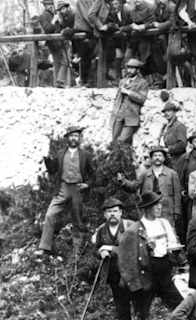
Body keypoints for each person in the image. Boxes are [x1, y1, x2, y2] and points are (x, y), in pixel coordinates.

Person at [119, 192, 184, 320]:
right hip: (147, 274)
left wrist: (177, 256)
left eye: (160, 204)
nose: (159, 207)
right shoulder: (134, 230)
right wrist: (135, 285)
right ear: (147, 208)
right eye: (155, 205)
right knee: (143, 313)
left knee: (181, 306)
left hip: (165, 271)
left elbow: (173, 244)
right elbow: (127, 262)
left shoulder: (164, 223)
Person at [38, 126, 94, 254]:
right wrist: (46, 159)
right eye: (71, 136)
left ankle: (78, 251)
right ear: (67, 138)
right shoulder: (60, 153)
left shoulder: (85, 155)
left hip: (78, 189)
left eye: (76, 136)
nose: (74, 138)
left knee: (77, 219)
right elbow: (52, 170)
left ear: (79, 138)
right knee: (50, 214)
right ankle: (44, 247)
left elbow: (93, 174)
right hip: (63, 188)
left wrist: (87, 184)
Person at [117, 145, 182, 227]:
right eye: (155, 156)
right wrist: (123, 181)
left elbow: (177, 194)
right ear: (151, 158)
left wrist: (177, 211)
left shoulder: (172, 174)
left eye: (160, 155)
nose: (157, 158)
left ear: (164, 158)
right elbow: (134, 186)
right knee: (149, 230)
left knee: (167, 230)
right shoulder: (145, 174)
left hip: (167, 210)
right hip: (148, 209)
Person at [91, 197, 135, 320]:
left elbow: (135, 249)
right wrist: (101, 253)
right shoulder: (101, 230)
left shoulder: (130, 226)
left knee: (139, 305)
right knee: (122, 307)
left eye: (115, 211)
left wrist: (111, 248)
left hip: (132, 272)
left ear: (120, 212)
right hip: (114, 275)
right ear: (105, 214)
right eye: (109, 212)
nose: (112, 214)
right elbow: (96, 249)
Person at [109, 58, 149, 145]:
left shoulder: (142, 83)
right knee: (114, 142)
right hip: (119, 116)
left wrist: (128, 92)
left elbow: (142, 99)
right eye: (128, 68)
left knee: (121, 141)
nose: (129, 70)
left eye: (132, 68)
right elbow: (117, 98)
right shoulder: (122, 81)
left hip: (131, 117)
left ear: (137, 70)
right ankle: (120, 158)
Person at [73, 0, 99, 86]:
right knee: (84, 56)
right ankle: (83, 80)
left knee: (91, 55)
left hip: (90, 29)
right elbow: (87, 15)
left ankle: (89, 80)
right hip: (83, 29)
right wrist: (97, 26)